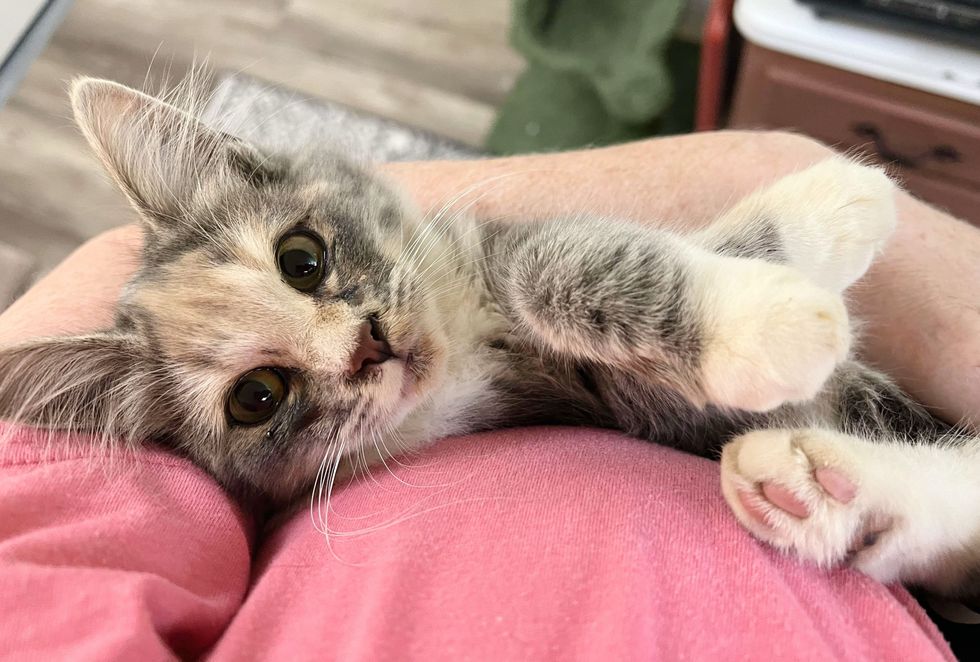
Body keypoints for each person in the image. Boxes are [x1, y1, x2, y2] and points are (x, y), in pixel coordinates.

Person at [0, 131, 973, 660]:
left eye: (302, 261)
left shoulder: (470, 280)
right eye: (261, 392)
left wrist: (734, 244)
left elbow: (539, 276)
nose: (354, 345)